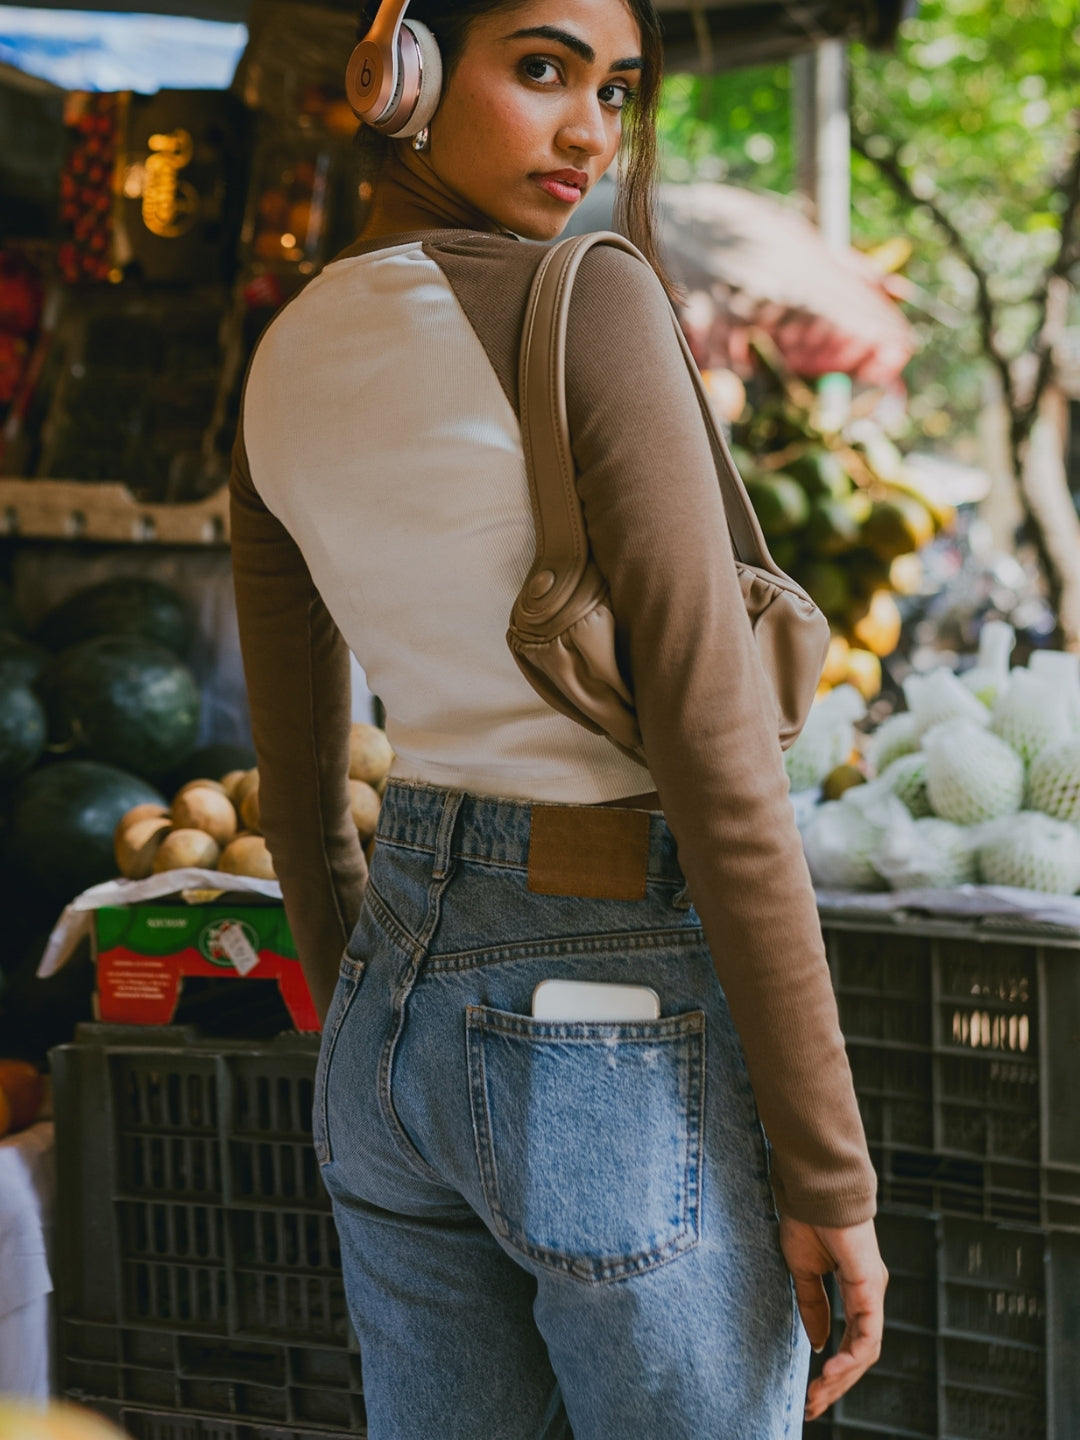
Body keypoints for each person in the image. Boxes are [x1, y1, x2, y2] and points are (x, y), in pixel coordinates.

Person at [230, 1, 887, 1435]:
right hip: (610, 1006)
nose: (590, 129)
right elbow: (719, 767)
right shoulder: (585, 298)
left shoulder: (279, 356)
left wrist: (387, 1007)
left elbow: (299, 778)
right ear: (399, 68)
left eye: (618, 89)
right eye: (541, 69)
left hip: (384, 1023)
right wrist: (831, 1177)